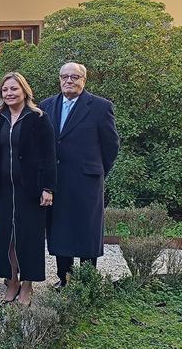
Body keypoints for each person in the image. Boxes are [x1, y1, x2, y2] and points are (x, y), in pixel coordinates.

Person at [0, 72, 56, 306]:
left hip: (30, 190)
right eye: (5, 90)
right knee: (7, 237)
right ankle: (12, 280)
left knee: (29, 237)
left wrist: (48, 188)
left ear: (24, 91)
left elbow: (48, 155)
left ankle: (27, 285)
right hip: (3, 190)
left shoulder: (38, 118)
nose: (9, 93)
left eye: (14, 89)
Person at [41, 62, 119, 287]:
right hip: (56, 180)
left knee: (86, 230)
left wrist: (97, 170)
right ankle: (64, 278)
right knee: (60, 229)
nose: (69, 81)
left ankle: (86, 281)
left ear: (84, 80)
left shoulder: (100, 107)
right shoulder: (47, 105)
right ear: (59, 79)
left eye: (75, 77)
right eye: (65, 77)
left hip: (87, 181)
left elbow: (111, 145)